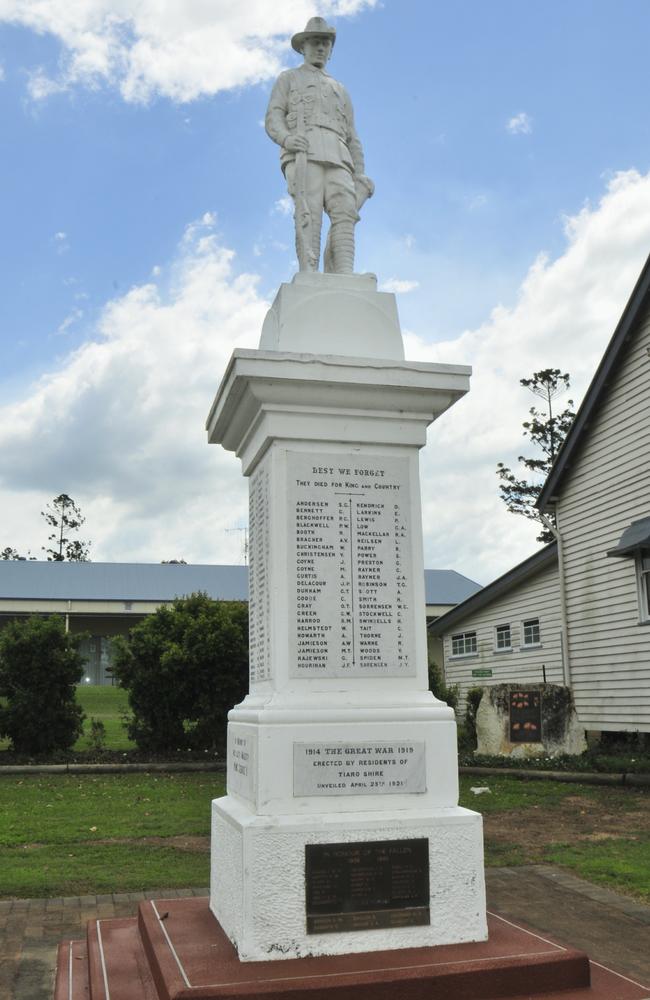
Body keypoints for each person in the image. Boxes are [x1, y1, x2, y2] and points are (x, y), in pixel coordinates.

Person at [265, 17, 374, 274]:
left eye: (325, 43)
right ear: (303, 47)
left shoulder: (340, 89)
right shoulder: (289, 79)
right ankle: (309, 272)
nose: (321, 48)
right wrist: (286, 138)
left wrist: (359, 173)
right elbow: (274, 116)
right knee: (308, 213)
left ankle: (345, 272)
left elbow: (352, 135)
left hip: (339, 156)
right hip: (305, 151)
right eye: (315, 43)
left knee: (346, 213)